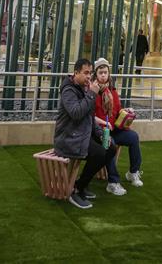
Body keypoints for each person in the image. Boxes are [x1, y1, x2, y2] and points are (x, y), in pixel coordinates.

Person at [53, 57, 117, 210]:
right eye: (86, 73)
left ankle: (81, 185)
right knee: (100, 153)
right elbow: (76, 113)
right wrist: (92, 94)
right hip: (68, 138)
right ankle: (75, 189)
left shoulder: (84, 89)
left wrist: (101, 134)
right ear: (76, 73)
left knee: (110, 148)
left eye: (90, 73)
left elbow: (89, 118)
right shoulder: (68, 90)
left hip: (80, 134)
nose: (89, 77)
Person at [93, 58, 143, 193]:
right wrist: (104, 123)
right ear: (95, 74)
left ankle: (133, 172)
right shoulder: (92, 91)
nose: (103, 75)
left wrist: (126, 111)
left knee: (133, 137)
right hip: (99, 132)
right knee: (110, 144)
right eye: (100, 72)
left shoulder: (112, 90)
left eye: (105, 72)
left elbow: (118, 110)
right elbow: (89, 116)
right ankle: (113, 182)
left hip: (114, 128)